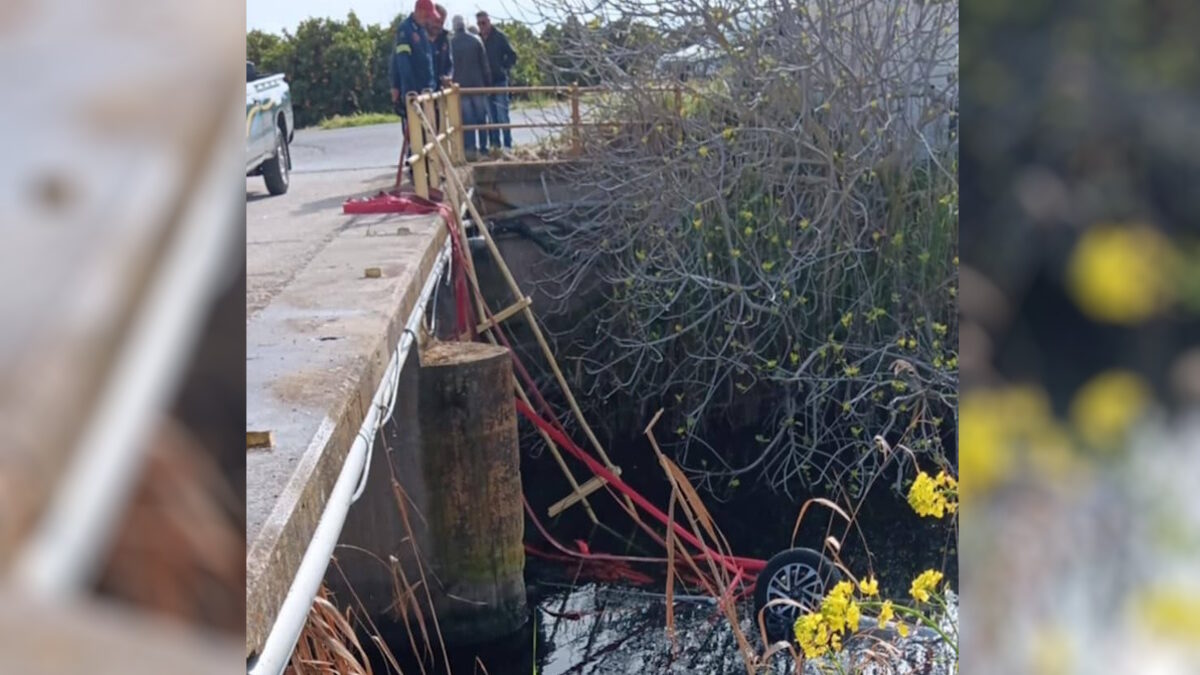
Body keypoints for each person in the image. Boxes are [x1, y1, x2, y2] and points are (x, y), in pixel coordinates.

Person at [390, 0, 436, 183]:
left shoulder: (419, 30)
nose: (429, 19)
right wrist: (409, 92)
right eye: (427, 15)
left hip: (425, 92)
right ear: (419, 11)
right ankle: (417, 175)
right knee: (416, 137)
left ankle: (427, 172)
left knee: (426, 134)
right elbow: (402, 63)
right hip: (414, 94)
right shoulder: (406, 31)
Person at [450, 15, 492, 159]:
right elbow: (485, 64)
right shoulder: (476, 40)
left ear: (455, 26)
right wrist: (488, 84)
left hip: (461, 87)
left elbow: (450, 67)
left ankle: (470, 149)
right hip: (478, 85)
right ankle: (484, 149)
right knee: (481, 118)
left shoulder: (451, 43)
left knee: (467, 120)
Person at [476, 11, 517, 151]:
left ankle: (507, 146)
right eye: (479, 23)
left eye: (483, 22)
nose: (481, 26)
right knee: (491, 117)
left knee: (502, 115)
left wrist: (503, 68)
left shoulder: (499, 36)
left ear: (489, 21)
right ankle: (495, 146)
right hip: (485, 83)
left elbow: (512, 55)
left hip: (499, 80)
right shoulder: (478, 38)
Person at [427, 5, 453, 86]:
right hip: (421, 90)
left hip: (440, 90)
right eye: (436, 21)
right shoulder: (417, 37)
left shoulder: (444, 39)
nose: (438, 25)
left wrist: (449, 76)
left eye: (441, 23)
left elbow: (450, 64)